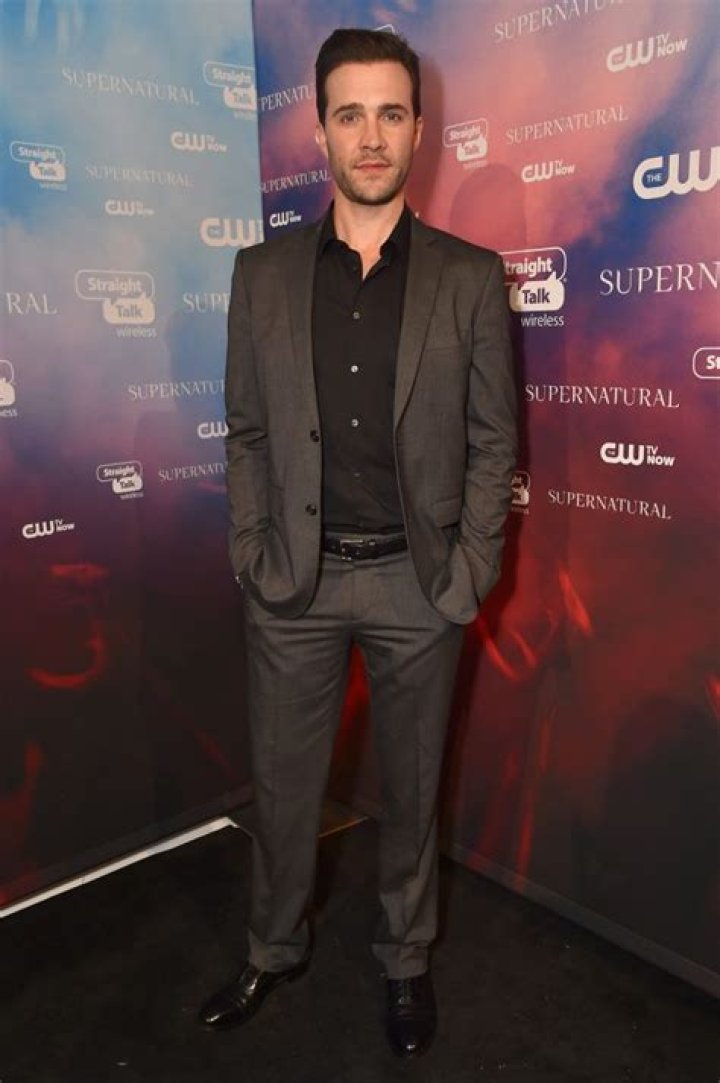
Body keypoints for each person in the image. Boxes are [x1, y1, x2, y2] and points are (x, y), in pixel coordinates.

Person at [199, 27, 517, 1058]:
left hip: (420, 587)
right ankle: (272, 947)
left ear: (419, 129)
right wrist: (254, 553)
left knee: (413, 792)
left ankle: (406, 957)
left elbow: (493, 442)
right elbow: (247, 431)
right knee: (285, 788)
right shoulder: (261, 274)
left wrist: (469, 571)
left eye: (390, 113)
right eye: (350, 114)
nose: (371, 136)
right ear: (321, 130)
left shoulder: (470, 277)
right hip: (293, 585)